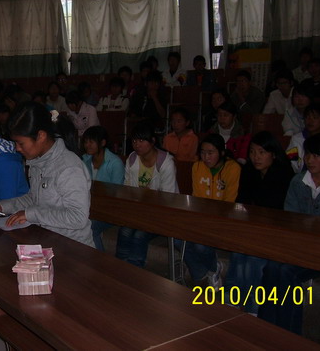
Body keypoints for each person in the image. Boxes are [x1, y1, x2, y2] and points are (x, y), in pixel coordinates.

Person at [0, 102, 94, 246]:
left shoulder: (69, 167)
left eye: (21, 143)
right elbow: (34, 198)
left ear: (41, 136)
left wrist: (30, 214)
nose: (17, 148)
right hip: (46, 238)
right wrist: (2, 207)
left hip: (74, 247)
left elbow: (78, 217)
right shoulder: (37, 161)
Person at [258, 133, 320, 334]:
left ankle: (289, 333)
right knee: (271, 267)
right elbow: (290, 218)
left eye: (316, 156)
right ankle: (266, 326)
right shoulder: (297, 181)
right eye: (308, 154)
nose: (310, 160)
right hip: (299, 245)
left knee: (287, 272)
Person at [224, 131, 294, 314]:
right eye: (252, 152)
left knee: (253, 259)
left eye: (262, 152)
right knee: (238, 252)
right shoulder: (248, 170)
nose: (256, 157)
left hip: (276, 230)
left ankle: (252, 308)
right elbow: (241, 201)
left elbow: (276, 208)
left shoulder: (284, 174)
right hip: (252, 227)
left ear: (273, 153)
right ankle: (232, 299)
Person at [115, 121, 178, 268]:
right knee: (124, 231)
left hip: (160, 212)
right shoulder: (132, 159)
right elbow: (128, 189)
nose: (137, 145)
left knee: (139, 235)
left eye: (141, 140)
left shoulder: (166, 162)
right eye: (134, 141)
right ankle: (119, 267)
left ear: (153, 141)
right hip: (138, 210)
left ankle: (135, 270)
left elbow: (168, 197)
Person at [181, 133, 241, 288]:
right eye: (202, 152)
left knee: (200, 245)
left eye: (210, 153)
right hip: (201, 217)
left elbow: (229, 202)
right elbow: (197, 197)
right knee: (178, 238)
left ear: (221, 152)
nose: (206, 157)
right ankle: (205, 272)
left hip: (224, 219)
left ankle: (211, 269)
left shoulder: (232, 168)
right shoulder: (197, 167)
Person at [81, 126, 125, 251]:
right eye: (86, 142)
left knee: (90, 227)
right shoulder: (84, 160)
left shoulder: (115, 163)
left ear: (102, 143)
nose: (87, 145)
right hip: (90, 207)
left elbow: (117, 192)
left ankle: (99, 259)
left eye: (91, 142)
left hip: (110, 210)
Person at [286, 103, 320, 173]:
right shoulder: (297, 138)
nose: (310, 121)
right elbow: (290, 162)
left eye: (315, 117)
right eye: (307, 117)